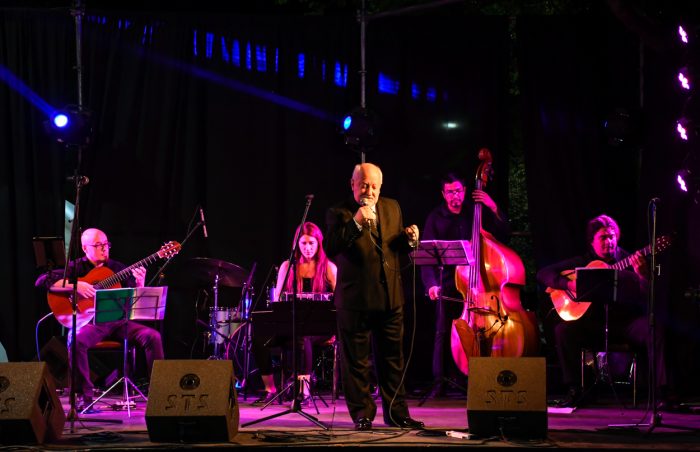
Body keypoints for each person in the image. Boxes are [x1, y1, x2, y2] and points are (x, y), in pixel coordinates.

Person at [325, 162, 424, 431]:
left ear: (380, 187)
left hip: (391, 298)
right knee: (357, 363)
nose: (369, 191)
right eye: (364, 185)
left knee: (393, 360)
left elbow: (394, 248)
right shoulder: (339, 212)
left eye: (374, 186)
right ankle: (362, 414)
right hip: (355, 301)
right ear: (353, 184)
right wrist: (356, 222)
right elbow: (331, 247)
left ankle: (397, 414)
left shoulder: (392, 207)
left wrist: (409, 239)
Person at [536, 214, 668, 408]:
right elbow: (543, 274)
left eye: (612, 236)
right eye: (603, 237)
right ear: (592, 242)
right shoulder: (583, 261)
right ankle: (575, 390)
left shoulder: (629, 260)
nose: (609, 241)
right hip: (592, 325)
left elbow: (647, 296)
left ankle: (663, 392)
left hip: (624, 324)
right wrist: (570, 284)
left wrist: (643, 277)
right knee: (563, 331)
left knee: (654, 328)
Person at [38, 228, 164, 411]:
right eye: (98, 245)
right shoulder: (75, 267)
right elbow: (43, 280)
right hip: (91, 324)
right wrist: (76, 286)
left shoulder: (118, 268)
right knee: (75, 339)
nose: (104, 248)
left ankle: (160, 393)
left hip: (119, 322)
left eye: (106, 244)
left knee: (153, 336)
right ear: (85, 248)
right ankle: (84, 398)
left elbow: (134, 301)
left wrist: (140, 284)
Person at [420, 172, 509, 398]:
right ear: (443, 194)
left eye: (458, 191)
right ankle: (439, 382)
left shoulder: (476, 211)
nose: (455, 196)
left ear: (465, 191)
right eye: (450, 192)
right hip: (448, 283)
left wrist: (493, 206)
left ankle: (478, 377)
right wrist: (431, 284)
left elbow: (503, 234)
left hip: (478, 284)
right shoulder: (435, 217)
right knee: (442, 330)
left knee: (480, 330)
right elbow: (428, 257)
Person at [250, 221, 337, 405]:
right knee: (258, 338)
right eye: (303, 243)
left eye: (311, 243)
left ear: (319, 244)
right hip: (290, 325)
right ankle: (270, 389)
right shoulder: (287, 266)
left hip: (319, 328)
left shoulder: (328, 267)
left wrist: (336, 330)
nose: (307, 248)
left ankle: (303, 392)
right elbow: (278, 300)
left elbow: (339, 302)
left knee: (302, 337)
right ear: (297, 244)